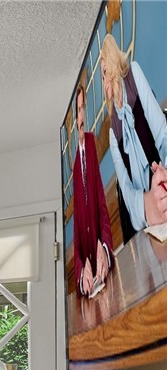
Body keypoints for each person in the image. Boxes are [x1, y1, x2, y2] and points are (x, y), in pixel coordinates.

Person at [99, 34, 167, 239]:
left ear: (111, 62)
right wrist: (149, 205)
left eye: (104, 73)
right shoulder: (112, 133)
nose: (104, 82)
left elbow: (163, 135)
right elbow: (128, 194)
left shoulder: (134, 75)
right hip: (151, 224)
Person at [71, 82, 114, 297]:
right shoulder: (72, 163)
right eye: (78, 111)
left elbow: (102, 207)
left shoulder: (90, 142)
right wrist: (80, 273)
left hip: (102, 269)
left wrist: (105, 248)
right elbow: (76, 231)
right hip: (88, 282)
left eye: (83, 109)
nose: (81, 116)